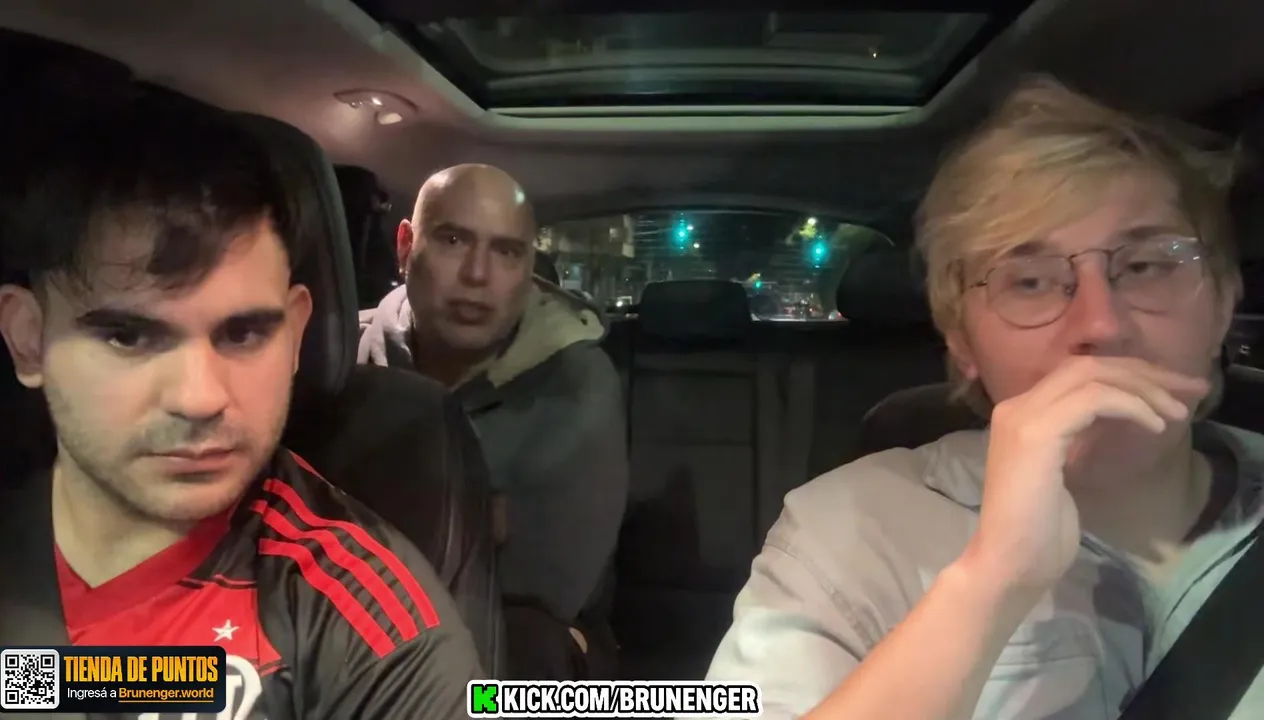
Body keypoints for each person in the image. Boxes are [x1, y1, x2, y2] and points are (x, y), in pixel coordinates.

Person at [704, 77, 1263, 718]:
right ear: (963, 343)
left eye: (1145, 266)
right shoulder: (846, 530)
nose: (1101, 324)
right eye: (1029, 281)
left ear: (1223, 305)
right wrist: (991, 580)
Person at [0, 90, 481, 718]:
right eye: (128, 337)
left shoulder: (375, 637)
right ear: (28, 341)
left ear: (295, 335)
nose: (200, 399)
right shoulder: (3, 531)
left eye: (244, 334)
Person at [357, 164, 628, 678]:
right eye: (453, 240)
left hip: (524, 650)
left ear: (529, 267)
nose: (478, 275)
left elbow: (544, 589)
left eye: (506, 251)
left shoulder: (578, 380)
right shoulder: (343, 356)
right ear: (405, 246)